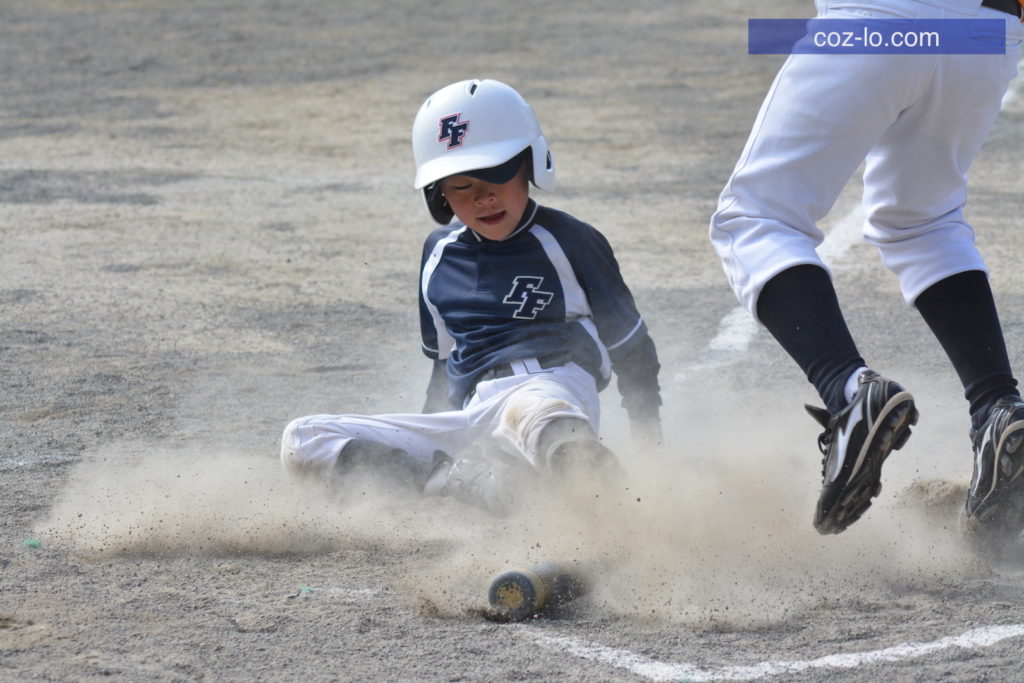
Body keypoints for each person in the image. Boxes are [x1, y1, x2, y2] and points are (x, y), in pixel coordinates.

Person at [710, 0, 1024, 537]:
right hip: (989, 32)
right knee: (925, 219)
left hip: (880, 19)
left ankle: (849, 390)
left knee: (757, 216)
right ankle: (998, 405)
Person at [281, 78, 662, 516]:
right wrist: (432, 439)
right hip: (472, 415)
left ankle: (616, 515)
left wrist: (650, 446)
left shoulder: (570, 240)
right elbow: (443, 366)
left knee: (534, 413)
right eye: (460, 186)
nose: (483, 197)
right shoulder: (438, 254)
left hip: (548, 389)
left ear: (530, 164)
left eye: (496, 174)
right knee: (304, 439)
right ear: (438, 194)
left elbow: (632, 349)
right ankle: (463, 482)